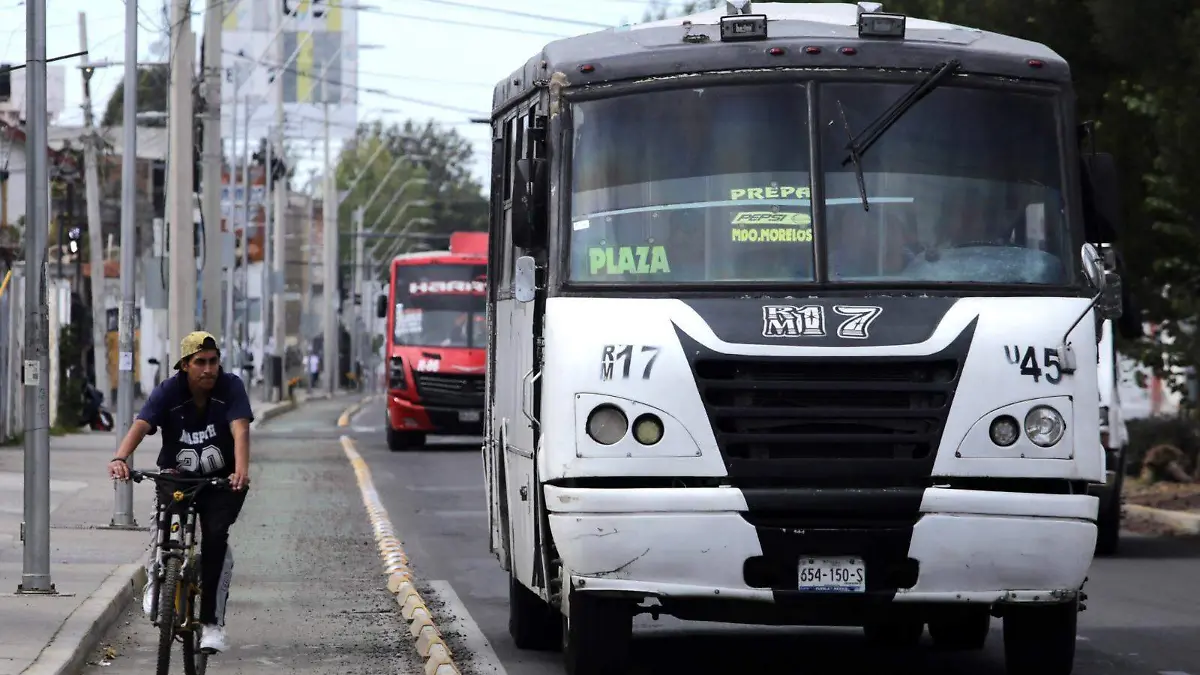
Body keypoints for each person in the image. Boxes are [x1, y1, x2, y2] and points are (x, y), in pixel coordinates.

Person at [108, 331, 253, 653]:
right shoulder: (169, 391)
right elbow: (142, 424)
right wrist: (120, 458)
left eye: (213, 361)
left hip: (220, 481)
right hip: (179, 477)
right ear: (185, 365)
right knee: (164, 523)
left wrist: (241, 470)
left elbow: (240, 428)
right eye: (200, 362)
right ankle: (157, 579)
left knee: (215, 539)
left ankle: (212, 624)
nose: (208, 369)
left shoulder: (231, 387)